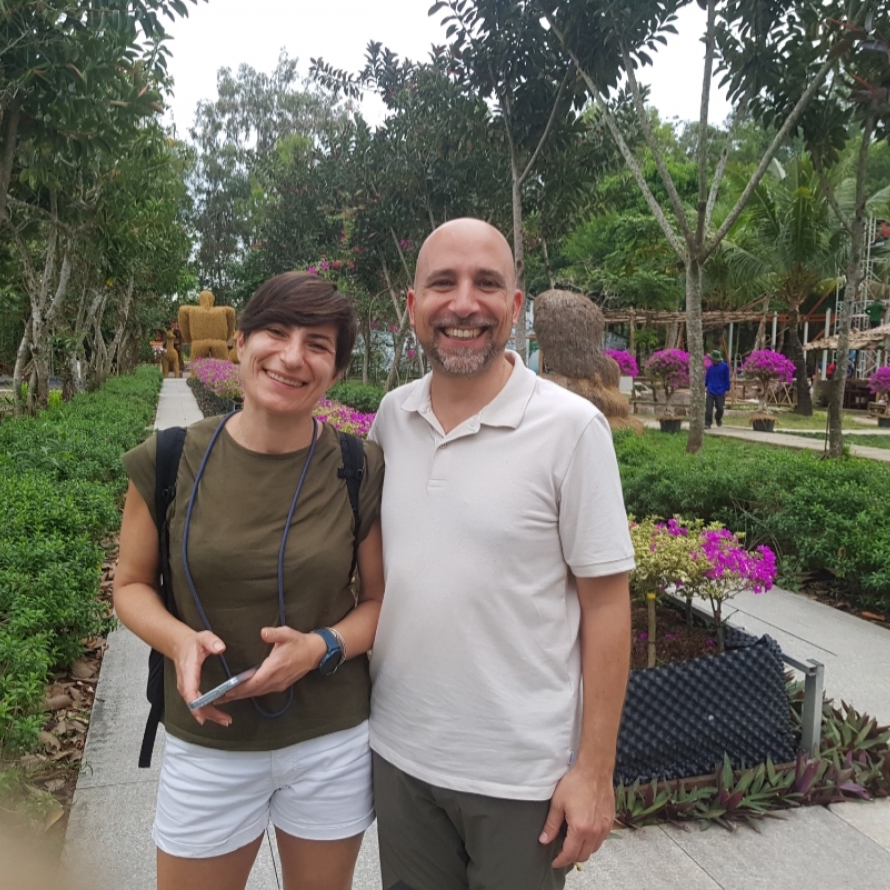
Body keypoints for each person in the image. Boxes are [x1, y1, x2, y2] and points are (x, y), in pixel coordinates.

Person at [368, 218, 635, 890]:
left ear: (515, 307)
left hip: (522, 780)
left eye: (487, 284)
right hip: (401, 756)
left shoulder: (572, 429)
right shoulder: (391, 418)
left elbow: (606, 606)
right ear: (413, 306)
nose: (464, 304)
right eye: (442, 284)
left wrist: (595, 772)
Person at [114, 272, 386, 890]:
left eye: (318, 344)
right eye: (276, 332)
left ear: (335, 369)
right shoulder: (168, 457)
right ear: (239, 343)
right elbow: (130, 585)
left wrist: (321, 648)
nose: (293, 356)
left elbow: (379, 601)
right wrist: (179, 641)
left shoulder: (356, 465)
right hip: (210, 741)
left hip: (329, 740)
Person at [705, 349, 731, 429]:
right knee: (709, 408)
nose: (711, 361)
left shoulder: (725, 367)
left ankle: (718, 418)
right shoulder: (710, 368)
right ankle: (707, 423)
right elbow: (707, 378)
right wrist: (704, 385)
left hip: (720, 391)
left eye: (712, 359)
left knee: (720, 408)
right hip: (710, 390)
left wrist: (727, 389)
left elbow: (727, 378)